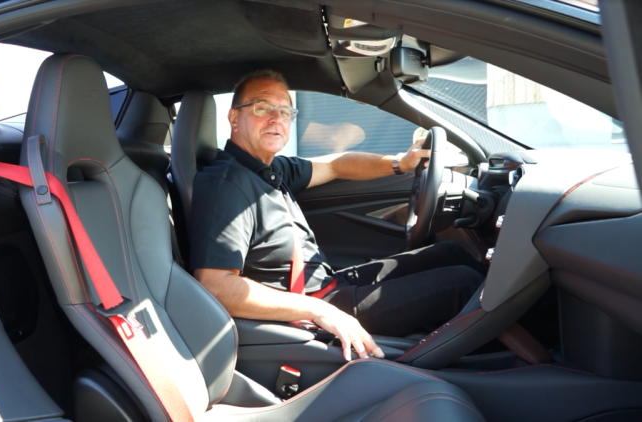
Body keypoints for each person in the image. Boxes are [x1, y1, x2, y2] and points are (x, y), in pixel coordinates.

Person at [189, 70, 486, 361]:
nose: (275, 118)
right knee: (462, 284)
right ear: (233, 118)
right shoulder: (225, 184)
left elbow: (336, 165)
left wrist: (401, 163)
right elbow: (215, 284)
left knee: (451, 253)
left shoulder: (269, 170)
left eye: (284, 110)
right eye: (262, 107)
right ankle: (509, 364)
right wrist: (321, 311)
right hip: (310, 308)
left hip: (326, 286)